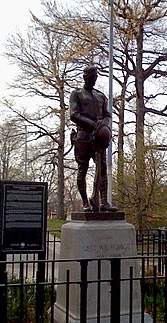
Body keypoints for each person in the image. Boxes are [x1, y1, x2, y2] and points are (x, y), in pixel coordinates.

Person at [69, 65, 118, 212]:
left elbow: (107, 115)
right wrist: (93, 124)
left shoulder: (101, 96)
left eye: (95, 77)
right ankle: (85, 203)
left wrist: (104, 126)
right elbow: (74, 114)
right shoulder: (76, 94)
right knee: (82, 169)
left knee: (102, 169)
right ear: (85, 77)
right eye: (91, 77)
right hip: (83, 137)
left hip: (99, 139)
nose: (94, 80)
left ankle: (104, 202)